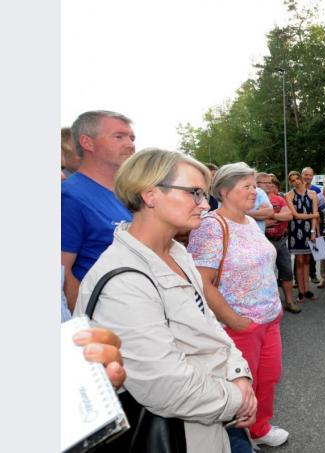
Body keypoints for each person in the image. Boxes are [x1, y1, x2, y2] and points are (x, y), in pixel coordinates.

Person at [73, 149, 258, 452]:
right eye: (194, 192)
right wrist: (238, 399)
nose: (204, 204)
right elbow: (166, 386)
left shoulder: (176, 252)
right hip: (180, 433)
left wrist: (239, 374)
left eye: (204, 194)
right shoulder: (123, 282)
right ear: (150, 195)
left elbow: (209, 324)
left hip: (214, 414)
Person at [187, 162, 289, 448]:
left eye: (254, 185)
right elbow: (202, 282)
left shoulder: (249, 222)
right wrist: (236, 321)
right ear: (224, 191)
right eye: (247, 186)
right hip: (239, 326)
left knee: (267, 379)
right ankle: (237, 440)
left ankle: (259, 428)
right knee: (240, 387)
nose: (254, 191)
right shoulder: (211, 226)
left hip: (269, 319)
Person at [62, 110, 135, 312]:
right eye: (119, 137)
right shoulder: (68, 197)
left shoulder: (129, 195)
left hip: (135, 311)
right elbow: (62, 272)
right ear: (87, 142)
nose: (130, 144)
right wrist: (85, 323)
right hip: (101, 318)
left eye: (132, 138)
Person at [257, 172, 300, 314]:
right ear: (257, 184)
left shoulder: (279, 199)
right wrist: (276, 218)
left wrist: (270, 216)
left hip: (280, 241)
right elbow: (253, 221)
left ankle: (289, 301)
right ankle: (267, 305)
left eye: (270, 182)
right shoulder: (253, 201)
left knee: (286, 271)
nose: (269, 184)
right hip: (263, 241)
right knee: (264, 275)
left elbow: (289, 216)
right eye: (265, 182)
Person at [286, 170, 319, 303]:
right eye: (292, 180)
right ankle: (300, 291)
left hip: (309, 231)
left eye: (297, 179)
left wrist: (313, 231)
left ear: (301, 178)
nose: (296, 182)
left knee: (307, 261)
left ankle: (307, 290)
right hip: (295, 231)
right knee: (299, 261)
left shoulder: (312, 194)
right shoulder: (289, 195)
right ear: (290, 183)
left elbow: (315, 214)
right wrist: (313, 215)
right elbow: (296, 215)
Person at [301, 167, 321, 284]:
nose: (308, 177)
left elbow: (319, 208)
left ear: (313, 176)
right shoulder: (296, 189)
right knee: (299, 253)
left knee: (315, 251)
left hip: (314, 224)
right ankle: (298, 279)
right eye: (306, 174)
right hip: (299, 225)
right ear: (302, 175)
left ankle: (313, 274)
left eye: (310, 175)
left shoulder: (317, 190)